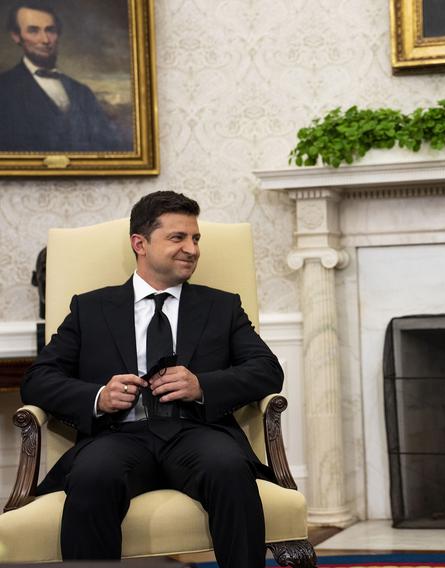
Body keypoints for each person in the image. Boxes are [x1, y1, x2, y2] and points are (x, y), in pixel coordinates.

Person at [21, 191, 282, 567]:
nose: (191, 249)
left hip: (197, 434)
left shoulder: (222, 306)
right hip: (118, 436)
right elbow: (38, 380)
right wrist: (98, 396)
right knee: (93, 475)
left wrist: (202, 386)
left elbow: (267, 370)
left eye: (196, 239)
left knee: (229, 468)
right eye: (178, 238)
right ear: (139, 244)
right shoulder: (91, 308)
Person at [0, 1, 129, 152]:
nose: (46, 40)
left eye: (50, 30)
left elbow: (108, 146)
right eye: (33, 31)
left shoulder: (82, 92)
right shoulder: (4, 88)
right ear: (16, 36)